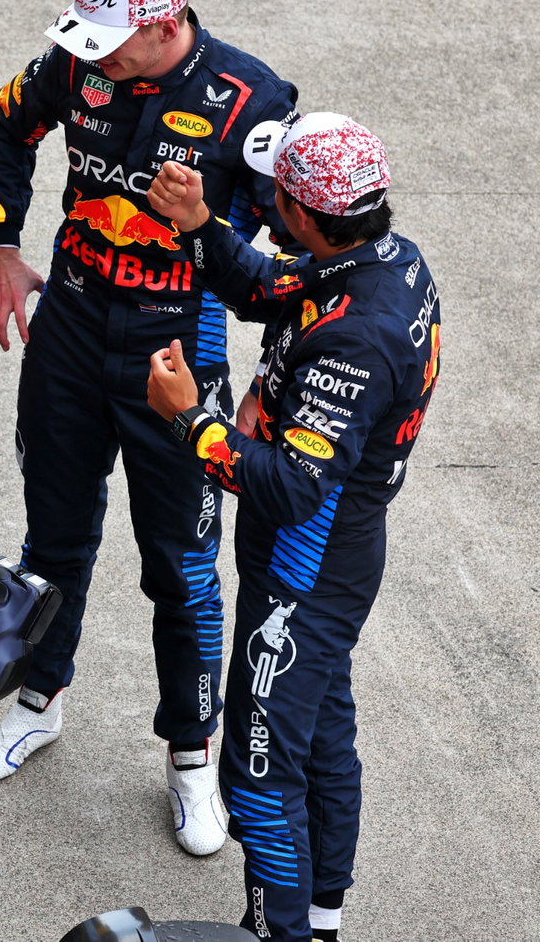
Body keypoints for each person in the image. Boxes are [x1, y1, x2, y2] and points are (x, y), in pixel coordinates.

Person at [0, 0, 297, 857]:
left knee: (181, 568)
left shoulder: (252, 102)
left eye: (110, 40)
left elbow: (295, 266)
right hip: (70, 330)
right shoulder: (79, 63)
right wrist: (0, 246)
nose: (93, 54)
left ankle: (192, 759)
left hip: (179, 357)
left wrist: (266, 384)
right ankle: (39, 700)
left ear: (164, 25)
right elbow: (5, 127)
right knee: (52, 540)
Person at [144, 113, 442, 941]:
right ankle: (320, 920)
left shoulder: (357, 339)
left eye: (276, 192)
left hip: (305, 569)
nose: (267, 200)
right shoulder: (381, 255)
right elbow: (268, 288)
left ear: (304, 212)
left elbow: (290, 489)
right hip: (329, 561)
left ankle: (279, 932)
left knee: (257, 776)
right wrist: (201, 225)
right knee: (321, 739)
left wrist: (191, 422)